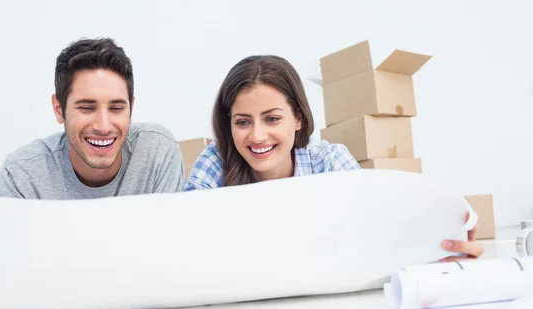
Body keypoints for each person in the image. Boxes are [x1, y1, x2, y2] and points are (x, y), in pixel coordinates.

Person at [184, 55, 483, 262]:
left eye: (272, 119)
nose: (258, 136)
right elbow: (189, 236)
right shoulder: (216, 161)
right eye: (243, 122)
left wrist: (440, 238)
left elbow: (377, 224)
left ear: (298, 119)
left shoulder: (328, 160)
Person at [0, 38, 184, 199]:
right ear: (59, 109)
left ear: (131, 109)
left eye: (116, 108)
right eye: (86, 108)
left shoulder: (157, 153)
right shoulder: (21, 177)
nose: (103, 126)